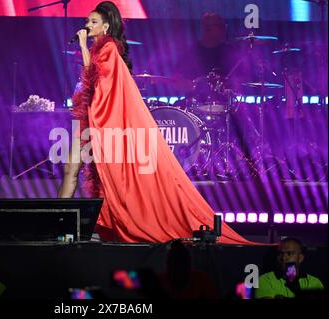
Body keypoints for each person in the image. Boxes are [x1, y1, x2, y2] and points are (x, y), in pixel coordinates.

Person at [57, 1, 253, 244]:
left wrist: (85, 47)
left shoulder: (108, 48)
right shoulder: (99, 48)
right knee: (71, 169)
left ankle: (102, 227)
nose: (87, 25)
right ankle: (59, 227)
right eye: (87, 21)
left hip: (101, 123)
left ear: (106, 26)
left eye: (93, 22)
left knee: (96, 176)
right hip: (88, 118)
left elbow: (93, 78)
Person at [255, 237, 325, 299]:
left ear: (300, 258)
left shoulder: (313, 282)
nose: (284, 258)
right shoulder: (266, 280)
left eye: (289, 253)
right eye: (280, 254)